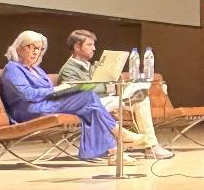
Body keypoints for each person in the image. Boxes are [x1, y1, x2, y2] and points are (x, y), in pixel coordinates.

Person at [0, 30, 140, 162]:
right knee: (88, 96)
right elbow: (27, 94)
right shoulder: (13, 68)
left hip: (45, 104)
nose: (36, 52)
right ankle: (118, 133)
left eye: (40, 49)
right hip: (28, 110)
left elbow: (49, 92)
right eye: (32, 47)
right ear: (19, 47)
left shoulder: (37, 70)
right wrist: (57, 90)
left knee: (90, 107)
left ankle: (114, 151)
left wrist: (63, 90)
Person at [59, 29, 172, 160]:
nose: (94, 48)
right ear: (77, 47)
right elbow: (81, 91)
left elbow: (101, 85)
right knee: (131, 97)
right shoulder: (68, 69)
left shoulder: (91, 66)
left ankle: (151, 147)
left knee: (142, 99)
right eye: (89, 45)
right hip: (91, 106)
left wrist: (110, 80)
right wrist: (106, 86)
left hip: (106, 101)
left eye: (94, 45)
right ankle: (126, 103)